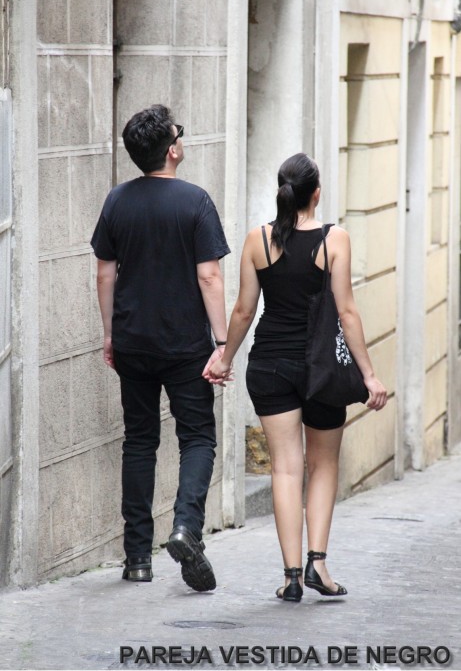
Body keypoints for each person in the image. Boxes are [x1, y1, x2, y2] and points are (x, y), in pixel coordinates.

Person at [204, 153, 387, 602]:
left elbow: (244, 310)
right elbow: (346, 312)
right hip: (321, 369)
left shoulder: (257, 241)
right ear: (316, 193)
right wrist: (369, 376)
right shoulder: (334, 239)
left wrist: (224, 356)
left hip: (269, 365)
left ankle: (290, 575)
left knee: (284, 468)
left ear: (282, 192)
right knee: (321, 464)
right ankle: (317, 564)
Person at [91, 104, 230, 589]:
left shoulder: (116, 201)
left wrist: (109, 334)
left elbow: (105, 273)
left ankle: (137, 558)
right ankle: (187, 527)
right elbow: (209, 275)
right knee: (197, 437)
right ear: (172, 150)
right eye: (180, 134)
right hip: (187, 343)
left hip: (133, 339)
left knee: (140, 440)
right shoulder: (195, 201)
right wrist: (223, 342)